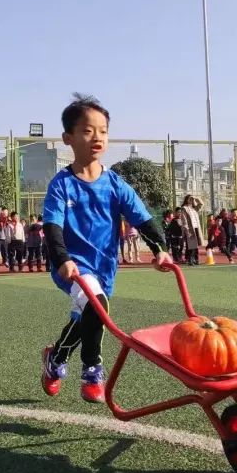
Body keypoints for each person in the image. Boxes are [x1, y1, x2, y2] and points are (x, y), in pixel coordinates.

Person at [39, 94, 171, 404]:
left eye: (103, 130)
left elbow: (143, 218)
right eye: (87, 130)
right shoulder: (61, 185)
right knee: (96, 305)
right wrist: (62, 259)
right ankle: (92, 371)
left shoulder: (115, 184)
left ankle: (55, 358)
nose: (97, 137)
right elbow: (52, 227)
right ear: (68, 138)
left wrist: (160, 249)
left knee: (87, 316)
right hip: (72, 267)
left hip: (104, 267)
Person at [178, 195, 203, 265]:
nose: (191, 200)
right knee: (192, 245)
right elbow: (184, 219)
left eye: (192, 199)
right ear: (186, 200)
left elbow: (201, 204)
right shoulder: (184, 208)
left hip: (196, 227)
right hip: (190, 229)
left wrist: (196, 198)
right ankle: (190, 259)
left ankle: (196, 259)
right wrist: (186, 229)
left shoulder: (194, 208)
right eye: (190, 199)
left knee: (196, 245)